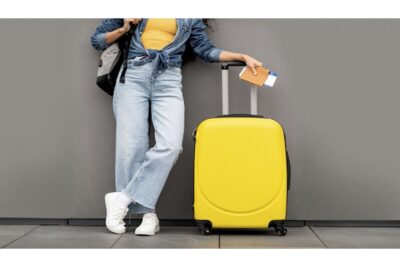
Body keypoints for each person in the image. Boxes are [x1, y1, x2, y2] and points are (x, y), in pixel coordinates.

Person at [90, 18, 263, 236]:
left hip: (168, 79)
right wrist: (125, 28)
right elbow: (96, 41)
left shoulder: (190, 16)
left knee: (170, 146)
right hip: (132, 76)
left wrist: (242, 56)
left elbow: (206, 50)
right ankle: (148, 215)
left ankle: (121, 199)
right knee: (131, 149)